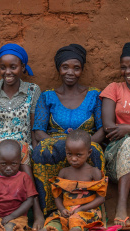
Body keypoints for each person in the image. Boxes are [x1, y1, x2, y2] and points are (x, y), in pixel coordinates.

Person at [32, 44, 105, 217]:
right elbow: (38, 130)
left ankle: (91, 209)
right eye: (65, 67)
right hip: (56, 145)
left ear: (82, 70)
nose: (70, 72)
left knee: (94, 151)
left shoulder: (94, 95)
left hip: (87, 143)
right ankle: (50, 210)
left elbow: (102, 129)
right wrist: (64, 145)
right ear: (59, 69)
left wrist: (83, 146)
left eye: (76, 68)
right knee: (43, 152)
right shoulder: (47, 96)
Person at [0, 43, 44, 230]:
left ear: (22, 67)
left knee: (22, 156)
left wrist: (36, 152)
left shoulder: (32, 90)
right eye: (3, 67)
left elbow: (34, 127)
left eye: (13, 67)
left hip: (23, 144)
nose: (8, 72)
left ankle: (37, 212)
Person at [14, 130, 108, 231]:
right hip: (66, 211)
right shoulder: (64, 172)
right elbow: (57, 196)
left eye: (78, 155)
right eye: (69, 154)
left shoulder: (94, 172)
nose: (73, 159)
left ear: (89, 152)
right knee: (53, 224)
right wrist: (62, 209)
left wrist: (81, 209)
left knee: (76, 223)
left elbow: (101, 198)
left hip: (87, 212)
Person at [100, 42, 130, 230]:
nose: (127, 72)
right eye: (123, 67)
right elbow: (110, 127)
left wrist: (127, 128)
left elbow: (120, 127)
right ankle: (121, 206)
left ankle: (122, 208)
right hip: (118, 146)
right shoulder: (114, 89)